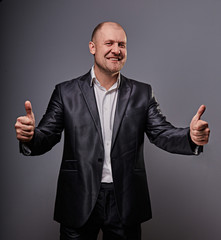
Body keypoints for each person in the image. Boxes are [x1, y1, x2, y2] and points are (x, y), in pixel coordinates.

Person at [15, 22, 210, 240]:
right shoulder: (65, 92)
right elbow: (47, 136)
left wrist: (191, 138)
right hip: (78, 198)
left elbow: (162, 133)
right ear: (92, 47)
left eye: (122, 45)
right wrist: (30, 137)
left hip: (125, 201)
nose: (116, 50)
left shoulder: (142, 93)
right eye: (109, 43)